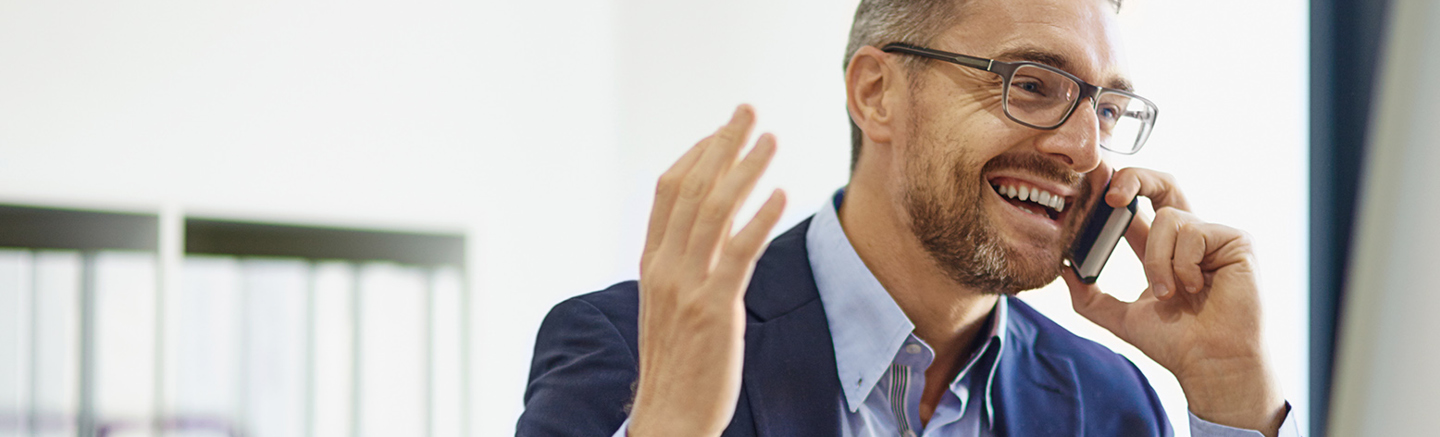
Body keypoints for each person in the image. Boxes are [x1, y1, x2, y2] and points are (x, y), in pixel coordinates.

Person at [519, 0, 1302, 435]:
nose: (1084, 147)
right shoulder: (625, 349)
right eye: (1031, 84)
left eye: (1107, 106)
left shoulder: (1112, 406)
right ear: (875, 93)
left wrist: (1233, 398)